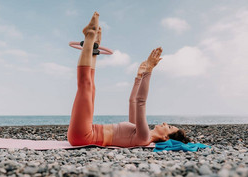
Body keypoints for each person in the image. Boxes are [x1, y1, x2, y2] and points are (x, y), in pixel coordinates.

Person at [67, 12, 190, 147]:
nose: (166, 123)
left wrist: (149, 71)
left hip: (84, 136)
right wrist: (138, 77)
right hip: (87, 130)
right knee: (91, 88)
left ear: (165, 137)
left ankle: (89, 36)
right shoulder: (142, 131)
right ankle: (93, 47)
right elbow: (132, 101)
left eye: (170, 127)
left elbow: (140, 102)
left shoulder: (145, 137)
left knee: (86, 85)